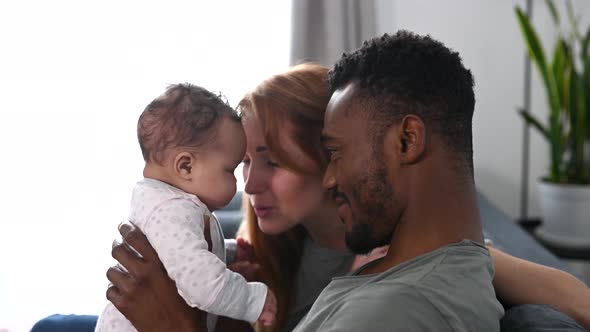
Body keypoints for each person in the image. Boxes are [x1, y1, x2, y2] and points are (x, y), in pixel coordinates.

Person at [32, 36, 590, 332]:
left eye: (270, 161)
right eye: (242, 165)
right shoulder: (273, 244)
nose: (247, 187)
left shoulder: (398, 272)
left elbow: (541, 284)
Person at [95, 84, 276, 332]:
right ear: (186, 167)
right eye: (231, 169)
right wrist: (253, 300)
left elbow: (186, 254)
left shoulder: (161, 201)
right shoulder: (174, 209)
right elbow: (202, 284)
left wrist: (230, 255)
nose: (239, 183)